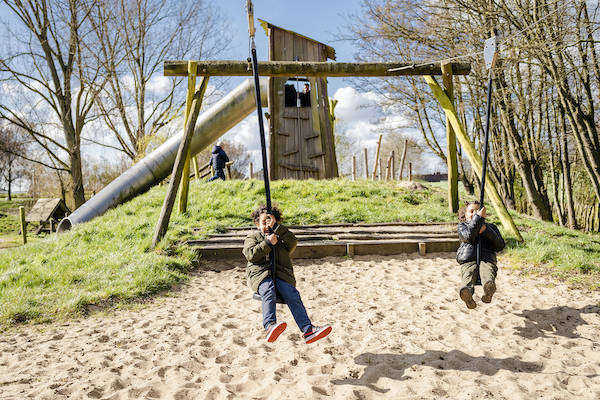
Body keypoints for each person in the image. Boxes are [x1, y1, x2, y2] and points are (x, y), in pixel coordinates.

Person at [243, 205, 332, 343]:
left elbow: (293, 242)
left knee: (292, 294)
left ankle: (308, 330)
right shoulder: (253, 237)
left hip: (281, 275)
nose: (266, 225)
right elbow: (250, 255)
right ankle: (270, 325)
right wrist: (267, 243)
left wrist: (277, 229)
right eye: (263, 222)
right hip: (260, 275)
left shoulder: (282, 238)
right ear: (257, 223)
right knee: (268, 290)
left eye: (270, 221)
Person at [456, 201, 505, 309]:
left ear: (484, 214)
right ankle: (467, 294)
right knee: (468, 273)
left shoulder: (491, 227)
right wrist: (477, 220)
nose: (475, 214)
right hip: (468, 259)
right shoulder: (462, 226)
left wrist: (487, 231)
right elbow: (468, 236)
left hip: (487, 258)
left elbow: (500, 245)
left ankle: (488, 290)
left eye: (478, 211)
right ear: (465, 215)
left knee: (487, 271)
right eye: (471, 211)